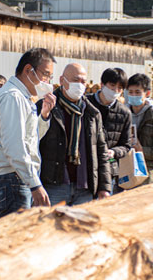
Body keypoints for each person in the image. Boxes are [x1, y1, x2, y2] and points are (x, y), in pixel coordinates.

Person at [0, 48, 56, 219]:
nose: (46, 81)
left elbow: (29, 138)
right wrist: (34, 184)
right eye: (45, 75)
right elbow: (14, 147)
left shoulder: (22, 98)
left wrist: (44, 115)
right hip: (11, 180)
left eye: (49, 77)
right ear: (28, 70)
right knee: (14, 240)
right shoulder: (13, 98)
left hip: (13, 179)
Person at [37, 63, 111, 205]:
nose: (80, 85)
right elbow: (33, 143)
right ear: (62, 80)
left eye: (83, 82)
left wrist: (104, 187)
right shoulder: (46, 107)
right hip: (53, 185)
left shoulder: (92, 113)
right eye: (75, 80)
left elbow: (101, 151)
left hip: (84, 186)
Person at [87, 68, 132, 194]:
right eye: (112, 86)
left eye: (120, 88)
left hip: (109, 169)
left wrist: (114, 152)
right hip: (84, 168)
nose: (115, 91)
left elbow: (126, 145)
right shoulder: (86, 104)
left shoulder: (124, 113)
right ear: (102, 84)